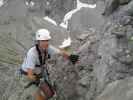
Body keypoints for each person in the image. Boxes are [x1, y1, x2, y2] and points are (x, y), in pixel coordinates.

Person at [19, 28, 79, 100]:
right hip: (27, 76)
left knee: (49, 93)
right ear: (38, 42)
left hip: (39, 73)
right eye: (43, 41)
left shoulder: (48, 48)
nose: (45, 43)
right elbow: (30, 75)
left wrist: (70, 57)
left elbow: (60, 53)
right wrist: (39, 82)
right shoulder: (32, 54)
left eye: (47, 40)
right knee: (39, 94)